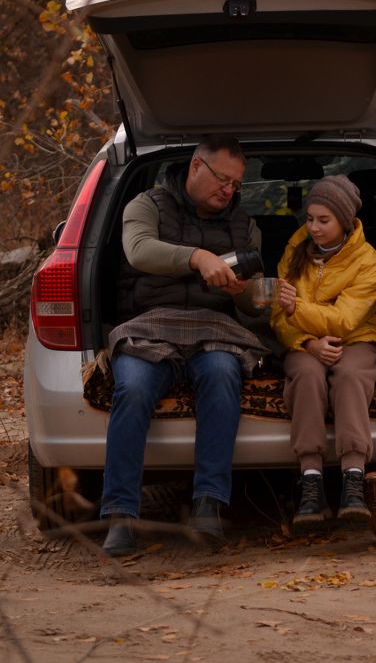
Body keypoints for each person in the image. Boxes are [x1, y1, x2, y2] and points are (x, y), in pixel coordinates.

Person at [100, 135, 269, 556]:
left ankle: (209, 504)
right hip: (149, 324)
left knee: (223, 375)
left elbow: (251, 304)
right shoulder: (146, 205)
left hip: (214, 328)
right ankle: (121, 516)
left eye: (236, 184)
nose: (228, 190)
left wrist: (248, 292)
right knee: (132, 388)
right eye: (222, 180)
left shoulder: (244, 226)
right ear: (196, 166)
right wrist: (198, 257)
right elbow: (139, 251)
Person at [270, 174, 376, 527]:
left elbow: (344, 320)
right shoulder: (295, 250)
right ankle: (311, 482)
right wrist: (308, 344)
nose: (314, 228)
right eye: (310, 219)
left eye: (324, 220)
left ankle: (354, 479)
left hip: (356, 337)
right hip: (303, 340)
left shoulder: (368, 261)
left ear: (345, 221)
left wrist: (296, 309)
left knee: (350, 374)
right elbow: (277, 316)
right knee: (307, 374)